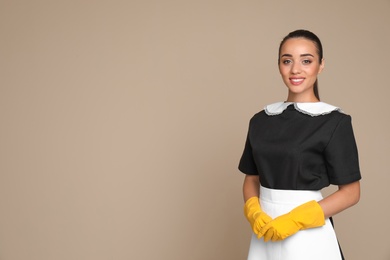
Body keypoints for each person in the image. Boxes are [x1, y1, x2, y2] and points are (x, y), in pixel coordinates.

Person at [238, 29, 361, 260]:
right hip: (264, 231)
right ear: (279, 66)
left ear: (321, 65)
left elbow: (351, 193)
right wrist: (254, 211)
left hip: (308, 233)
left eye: (306, 60)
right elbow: (252, 178)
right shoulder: (261, 120)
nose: (296, 69)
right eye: (287, 61)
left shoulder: (334, 121)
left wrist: (296, 219)